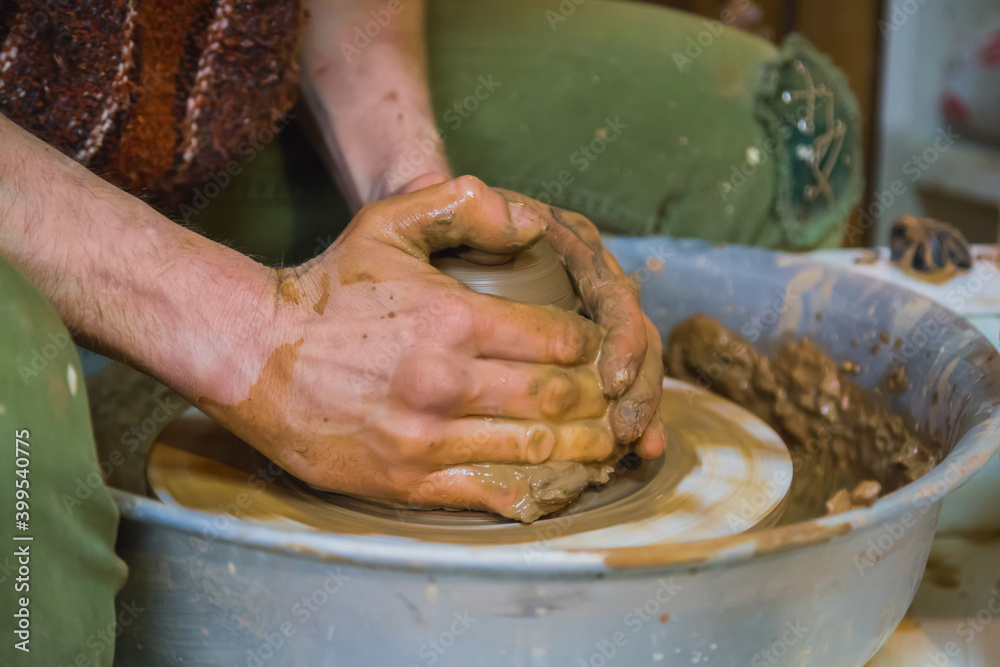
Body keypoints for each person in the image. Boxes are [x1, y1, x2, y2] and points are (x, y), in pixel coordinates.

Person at [0, 1, 668, 664]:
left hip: (225, 110)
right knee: (20, 448)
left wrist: (423, 205)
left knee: (722, 130)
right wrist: (259, 340)